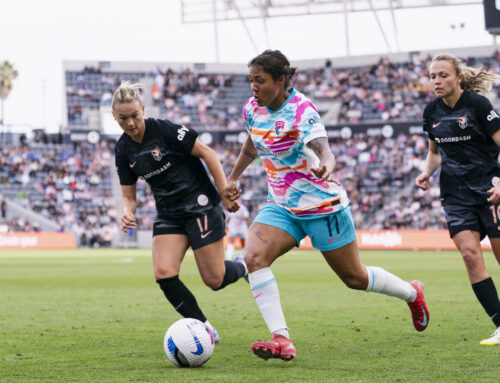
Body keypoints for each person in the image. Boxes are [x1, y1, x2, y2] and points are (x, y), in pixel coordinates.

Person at [225, 50, 429, 362]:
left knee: (355, 279)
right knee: (253, 259)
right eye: (250, 80)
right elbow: (252, 143)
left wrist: (327, 163)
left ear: (280, 81)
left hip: (323, 206)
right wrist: (233, 177)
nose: (253, 87)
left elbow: (324, 149)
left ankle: (413, 293)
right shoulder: (252, 108)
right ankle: (282, 340)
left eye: (260, 80)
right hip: (281, 207)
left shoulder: (302, 111)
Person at [113, 81, 247, 343]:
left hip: (200, 207)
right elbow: (129, 196)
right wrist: (127, 212)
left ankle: (244, 266)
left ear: (142, 109)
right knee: (164, 273)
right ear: (115, 117)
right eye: (123, 118)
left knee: (214, 280)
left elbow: (208, 153)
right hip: (168, 214)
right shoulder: (122, 150)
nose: (130, 123)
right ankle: (204, 328)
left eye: (134, 116)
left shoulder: (164, 130)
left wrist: (223, 192)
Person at [416, 53, 500, 345]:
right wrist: (426, 172)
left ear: (458, 78)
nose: (437, 81)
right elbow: (435, 152)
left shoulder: (478, 105)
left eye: (443, 75)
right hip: (455, 194)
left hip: (491, 191)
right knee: (469, 255)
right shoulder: (431, 112)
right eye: (432, 77)